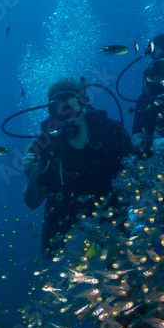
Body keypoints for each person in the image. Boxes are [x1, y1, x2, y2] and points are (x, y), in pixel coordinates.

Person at [22, 77, 133, 258]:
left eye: (73, 103)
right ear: (52, 113)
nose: (68, 113)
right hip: (66, 204)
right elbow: (32, 203)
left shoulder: (109, 131)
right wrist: (33, 179)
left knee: (122, 254)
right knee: (48, 253)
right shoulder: (46, 147)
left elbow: (135, 170)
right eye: (59, 107)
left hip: (109, 199)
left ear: (84, 104)